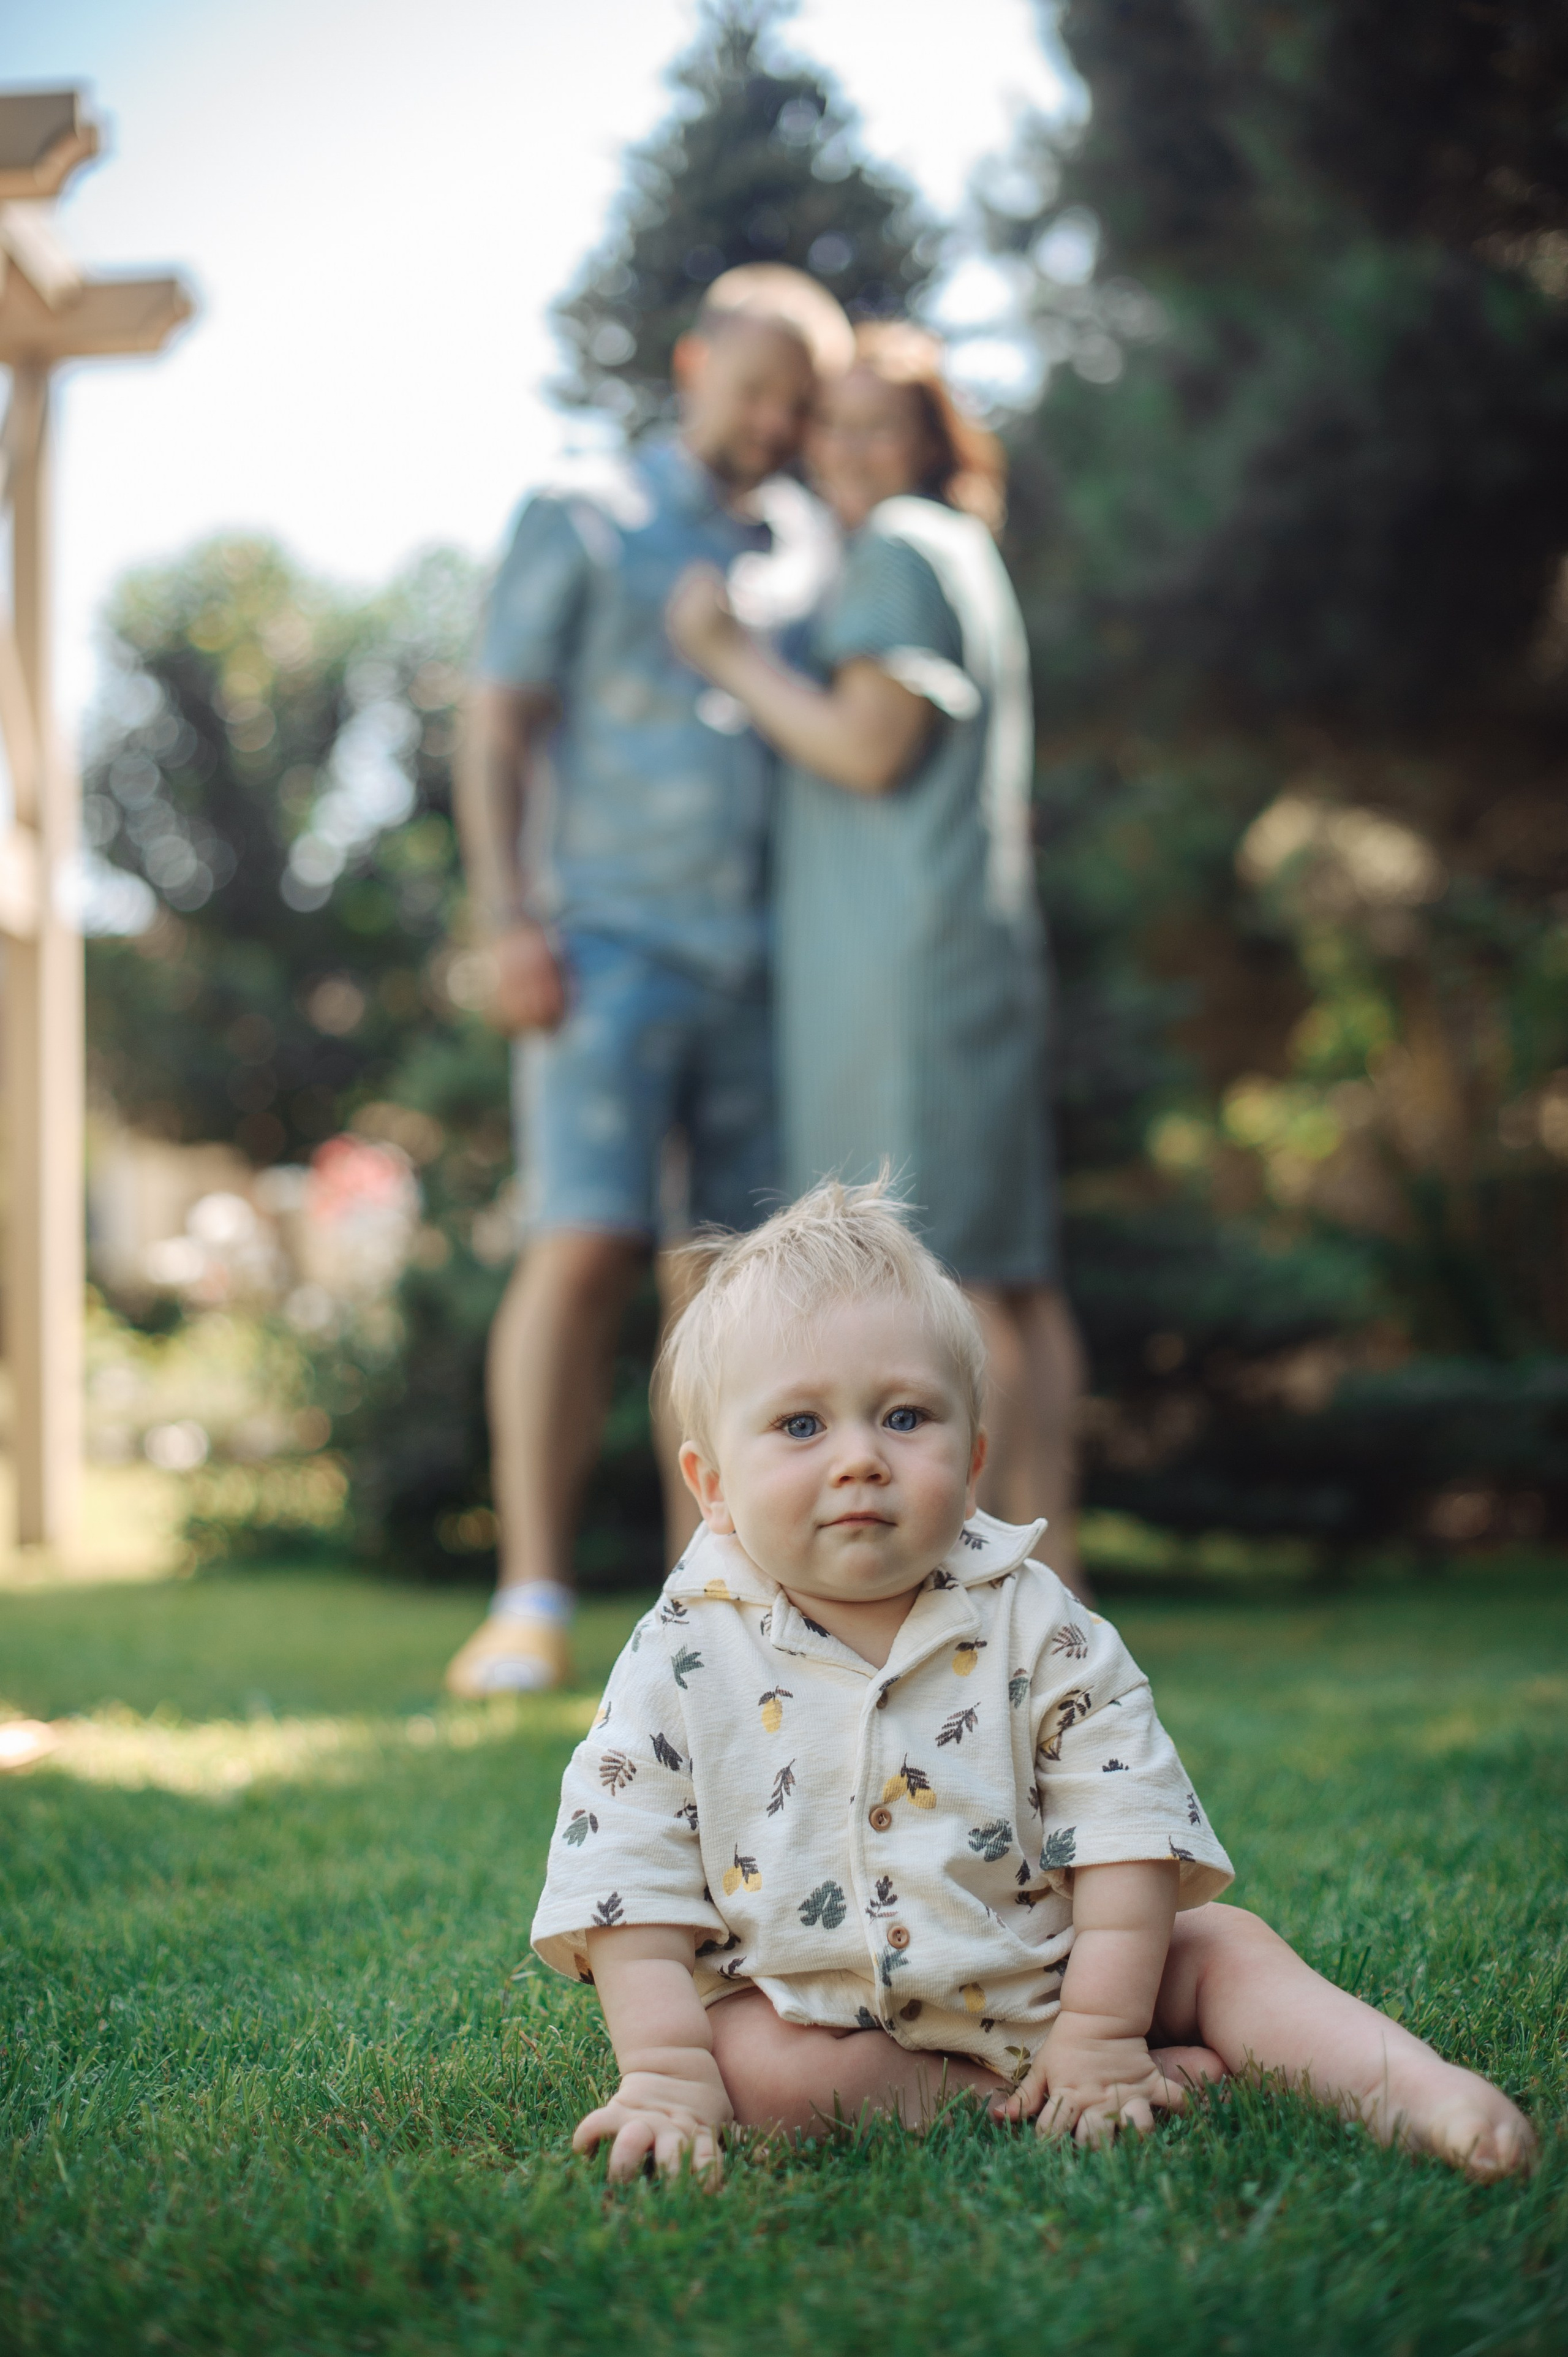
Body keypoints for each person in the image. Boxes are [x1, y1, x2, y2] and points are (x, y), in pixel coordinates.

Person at [532, 1179, 1536, 2183]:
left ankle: (1417, 2092)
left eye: (904, 1416)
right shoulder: (681, 1652)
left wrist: (1100, 2024)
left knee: (1225, 1948)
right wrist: (665, 2072)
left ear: (971, 1460)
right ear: (712, 1487)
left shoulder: (1038, 1621)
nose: (860, 1460)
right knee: (753, 2064)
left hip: (1065, 1966)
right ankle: (996, 2098)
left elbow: (1125, 1820)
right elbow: (628, 1873)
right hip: (824, 2008)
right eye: (800, 1426)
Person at [444, 266, 852, 1699]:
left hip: (762, 964)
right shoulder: (581, 513)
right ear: (691, 365)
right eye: (756, 388)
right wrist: (506, 914)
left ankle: (714, 1611)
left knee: (727, 1286)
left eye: (798, 401)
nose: (775, 419)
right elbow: (495, 720)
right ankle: (531, 1594)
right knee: (583, 1244)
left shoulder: (810, 541)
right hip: (601, 944)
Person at [667, 324, 1088, 1596]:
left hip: (902, 965)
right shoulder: (962, 551)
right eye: (827, 427)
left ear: (924, 443)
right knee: (1009, 1270)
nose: (844, 451)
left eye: (875, 427)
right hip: (960, 947)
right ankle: (1052, 1580)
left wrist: (723, 653)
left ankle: (1007, 1589)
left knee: (954, 1272)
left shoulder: (901, 546)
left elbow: (866, 745)